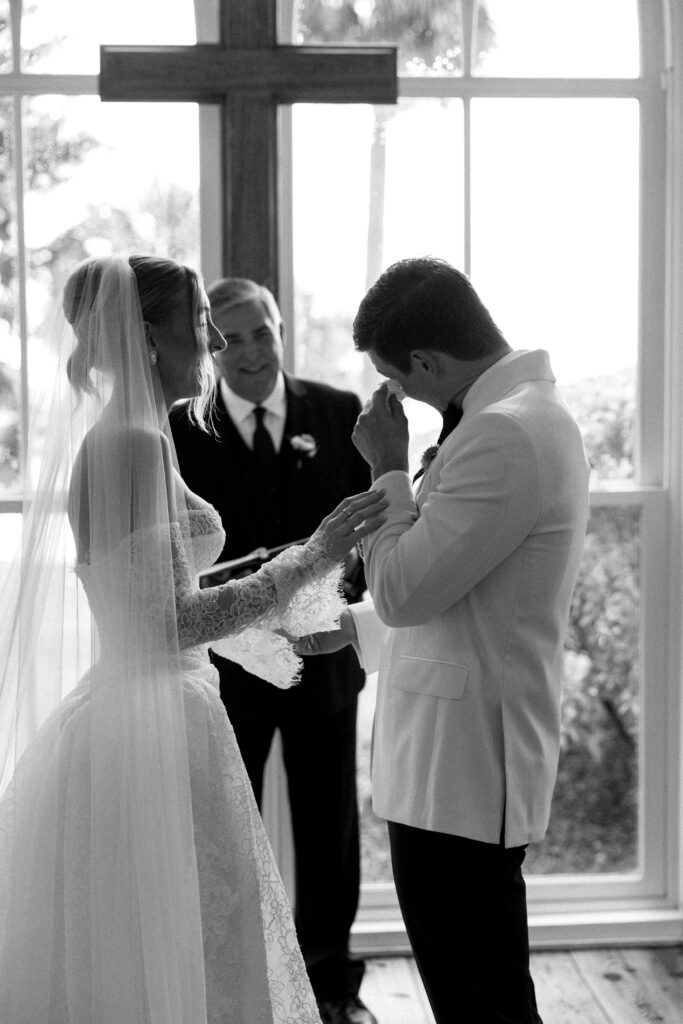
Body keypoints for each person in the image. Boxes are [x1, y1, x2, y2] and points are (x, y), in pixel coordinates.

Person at [0, 255, 388, 1024]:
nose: (213, 340)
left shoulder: (140, 436)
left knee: (200, 932)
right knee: (184, 937)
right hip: (152, 719)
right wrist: (311, 554)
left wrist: (283, 595)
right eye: (201, 321)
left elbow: (162, 594)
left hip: (167, 702)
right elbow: (170, 622)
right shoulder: (132, 444)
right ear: (148, 336)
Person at [300, 257, 590, 1024]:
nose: (395, 395)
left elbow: (401, 591)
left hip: (463, 768)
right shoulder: (507, 419)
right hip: (449, 758)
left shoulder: (504, 435)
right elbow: (467, 591)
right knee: (472, 989)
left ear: (426, 361)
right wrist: (349, 631)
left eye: (395, 377)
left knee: (481, 999)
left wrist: (389, 468)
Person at [170, 277, 378, 1024]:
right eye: (228, 338)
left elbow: (369, 534)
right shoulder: (179, 428)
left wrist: (332, 598)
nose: (249, 351)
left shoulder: (338, 410)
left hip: (325, 657)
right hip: (226, 661)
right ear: (209, 347)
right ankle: (241, 987)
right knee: (230, 825)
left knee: (330, 825)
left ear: (280, 328)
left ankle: (331, 988)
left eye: (261, 331)